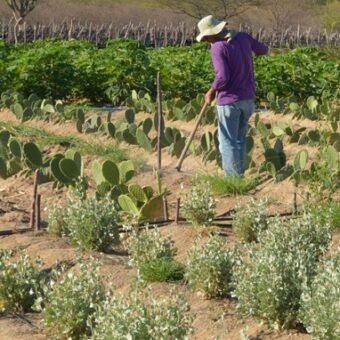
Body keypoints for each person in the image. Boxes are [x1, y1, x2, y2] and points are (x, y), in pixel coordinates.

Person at [196, 15, 269, 177]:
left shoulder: (218, 47)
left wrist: (211, 91)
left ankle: (231, 179)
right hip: (248, 99)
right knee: (240, 140)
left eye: (207, 37)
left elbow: (223, 76)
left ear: (213, 33)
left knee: (227, 142)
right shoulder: (243, 37)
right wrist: (245, 54)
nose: (207, 40)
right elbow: (263, 50)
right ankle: (239, 175)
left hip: (229, 100)